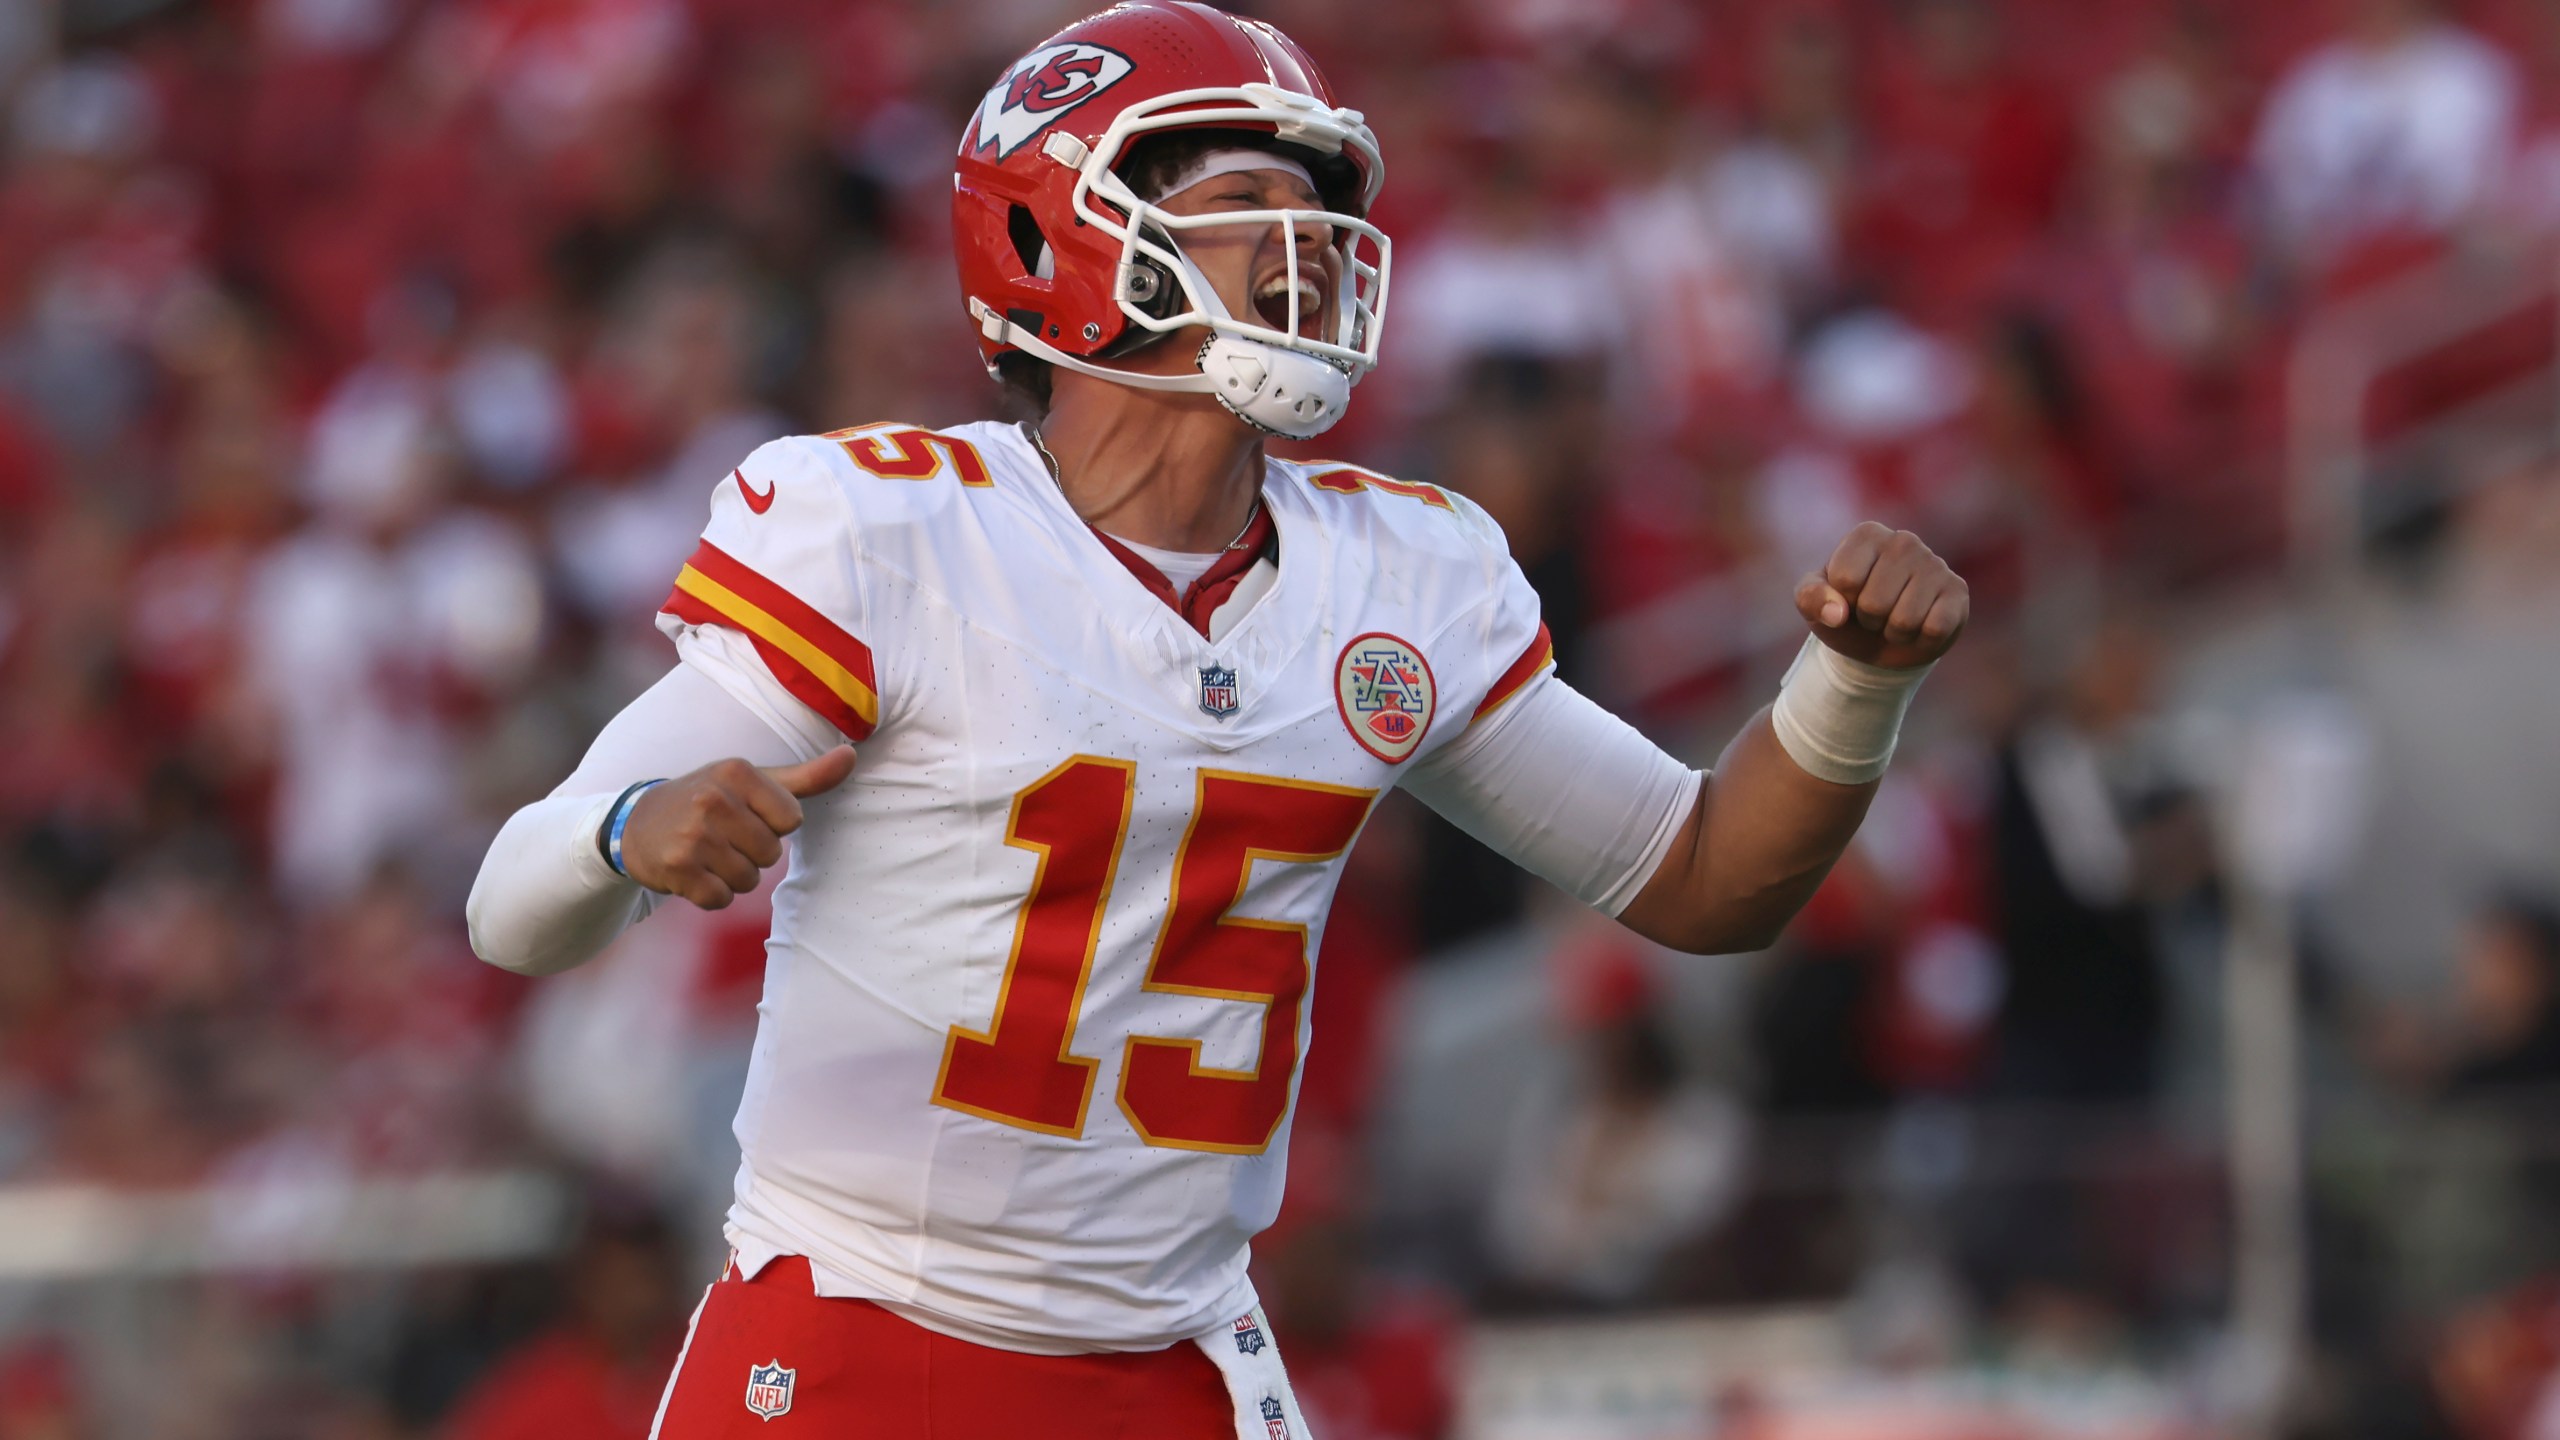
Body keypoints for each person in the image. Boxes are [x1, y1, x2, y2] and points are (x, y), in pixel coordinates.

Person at [465, 4, 1968, 1436]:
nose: (1306, 247)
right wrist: (620, 833)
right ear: (1057, 238)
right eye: (1245, 197)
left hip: (1170, 1365)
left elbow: (1705, 878)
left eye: (1312, 205)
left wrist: (1850, 686)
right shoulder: (893, 539)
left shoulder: (1397, 575)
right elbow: (509, 908)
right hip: (861, 1335)